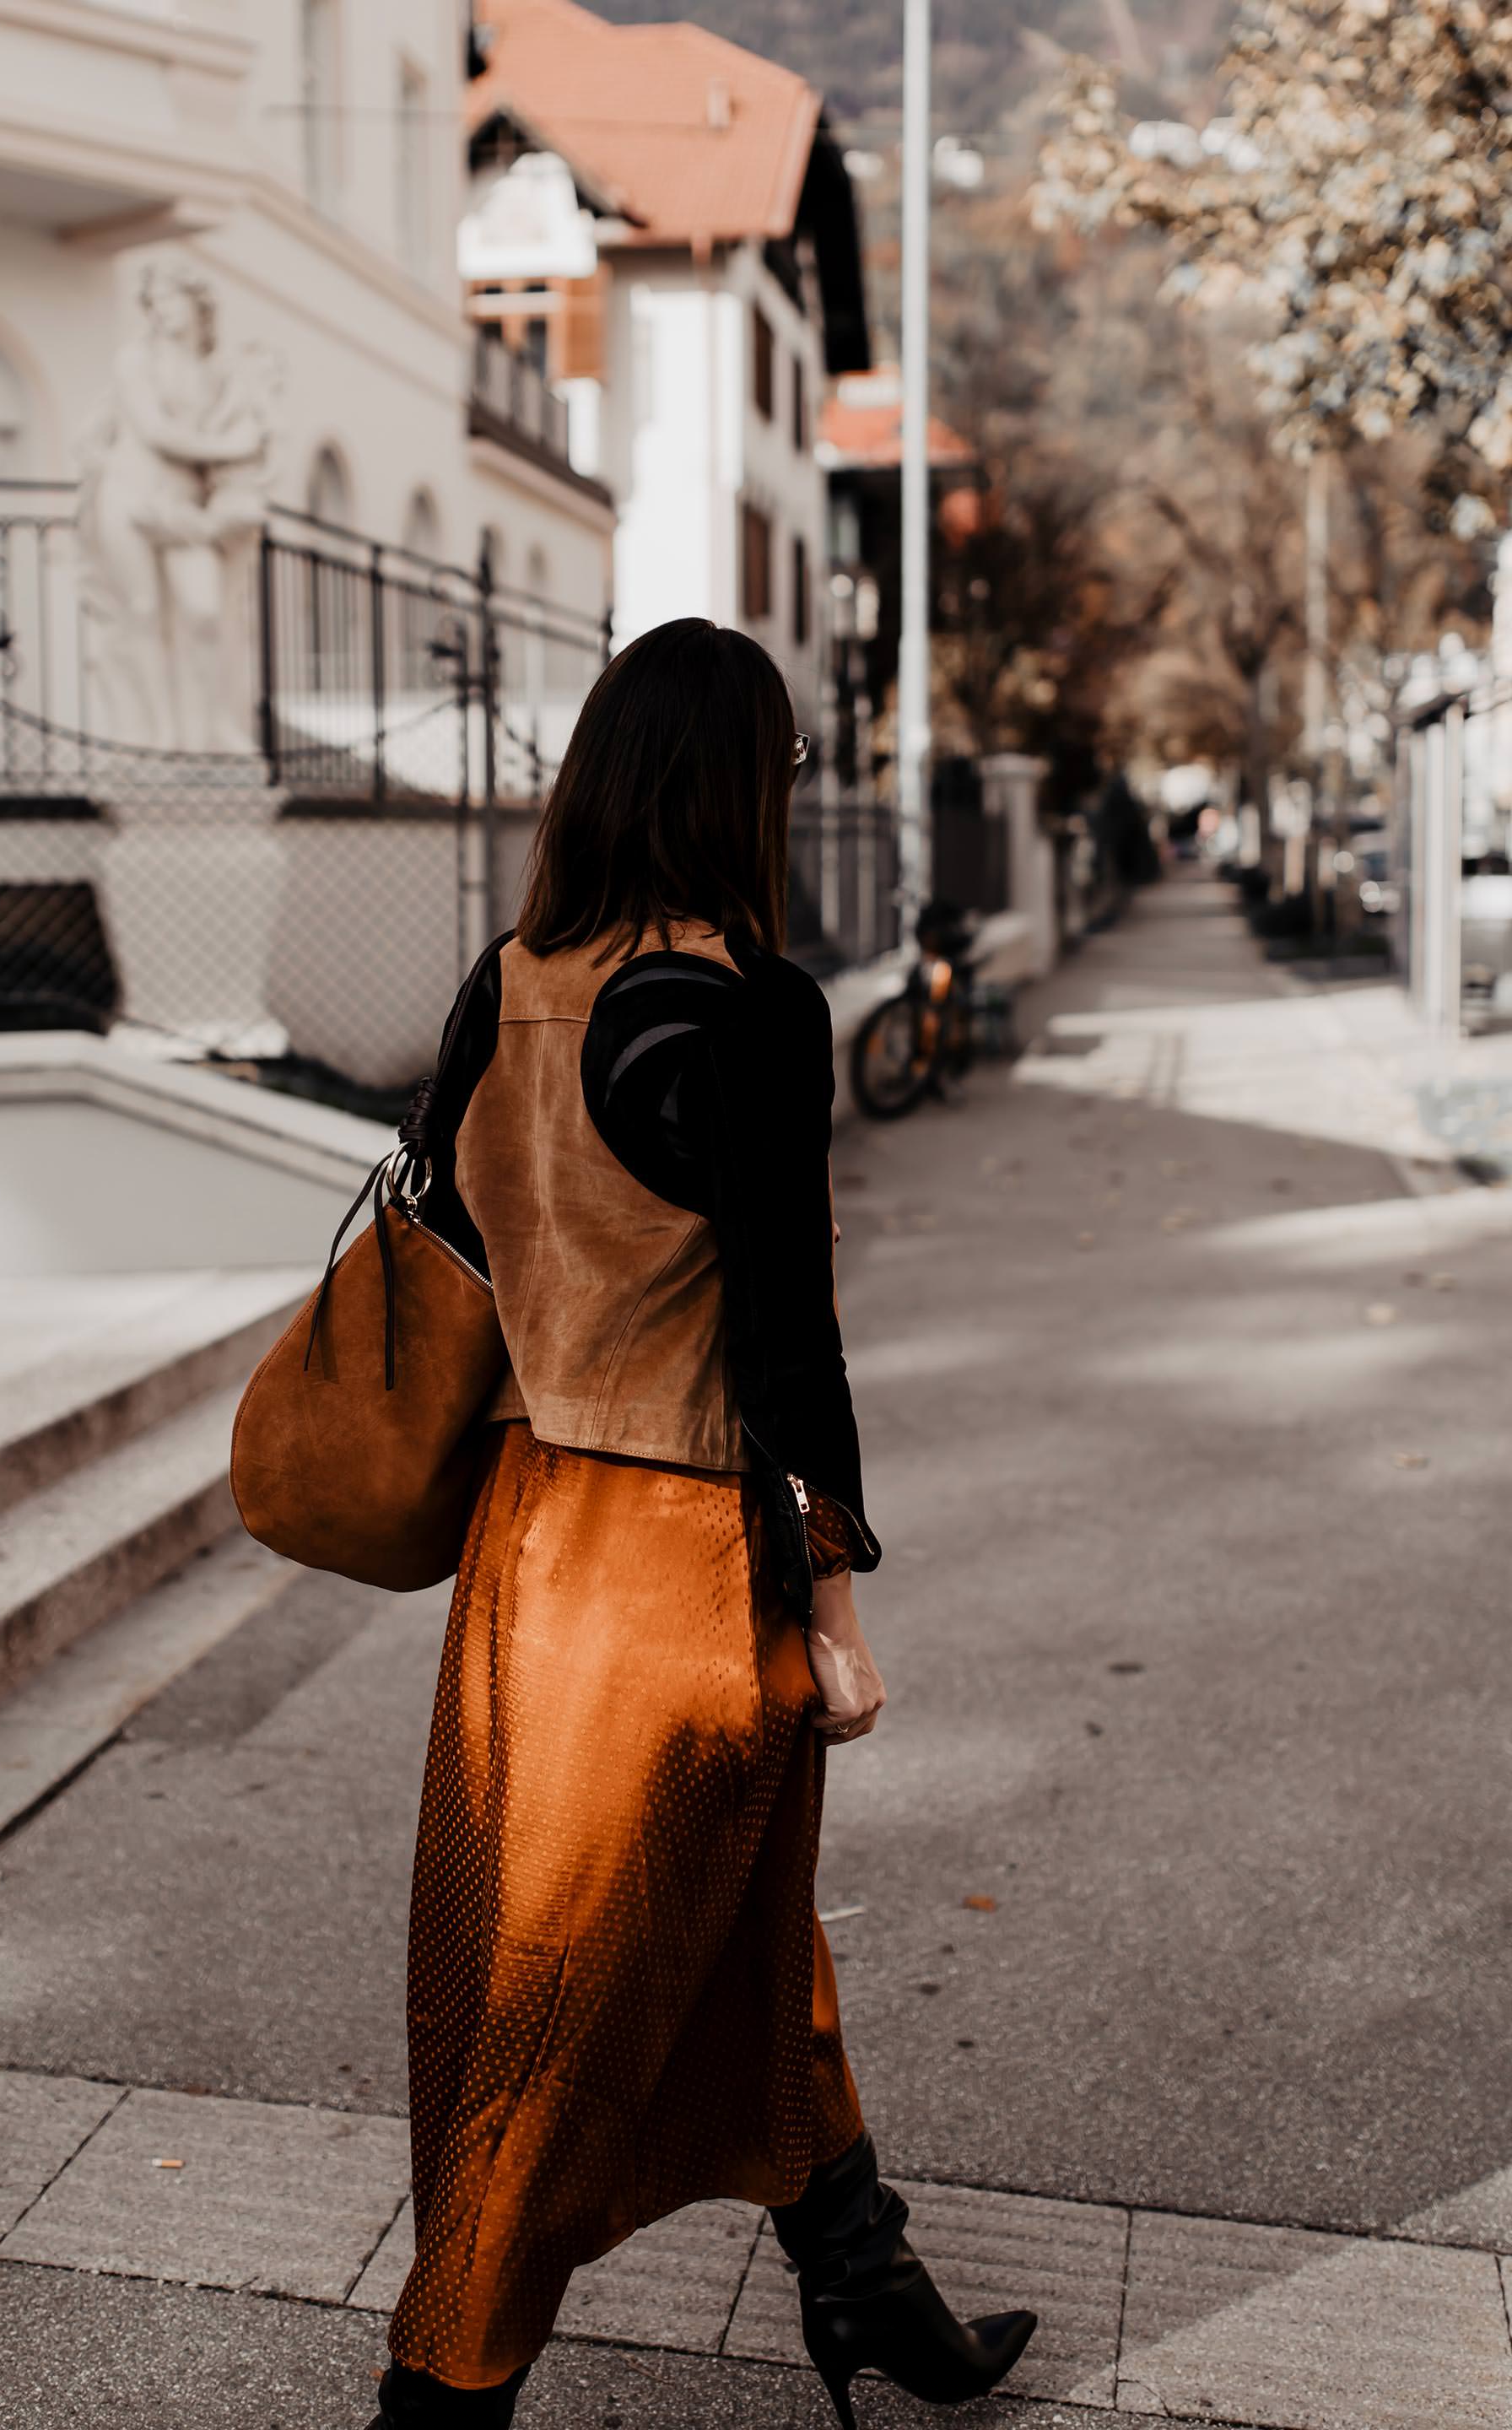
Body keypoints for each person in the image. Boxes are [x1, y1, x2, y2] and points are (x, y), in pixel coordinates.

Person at [370, 619, 1037, 2427]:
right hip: (677, 1560)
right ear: (738, 785)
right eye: (792, 765)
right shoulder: (740, 1005)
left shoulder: (502, 985)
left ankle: (866, 2282)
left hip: (528, 1550)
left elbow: (469, 1246)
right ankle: (434, 2399)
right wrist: (834, 1589)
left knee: (735, 1935)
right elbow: (782, 1329)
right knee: (562, 2019)